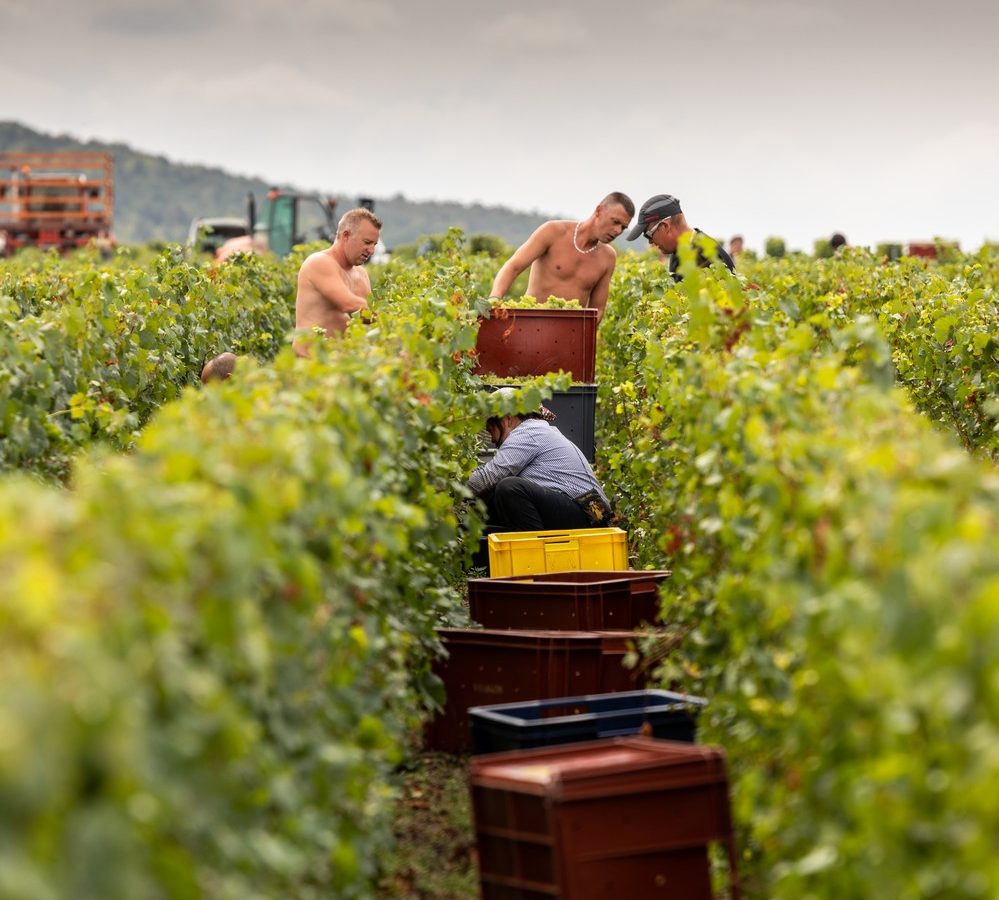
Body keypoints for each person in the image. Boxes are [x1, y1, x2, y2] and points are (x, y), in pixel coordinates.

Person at [467, 388, 613, 532]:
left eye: (491, 430)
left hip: (590, 514)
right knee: (492, 496)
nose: (492, 439)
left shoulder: (528, 433)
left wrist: (455, 488)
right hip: (589, 512)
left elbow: (488, 476)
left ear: (507, 419)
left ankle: (531, 546)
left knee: (509, 487)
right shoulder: (537, 431)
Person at [488, 193, 635, 321]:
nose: (618, 231)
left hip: (570, 336)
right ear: (599, 211)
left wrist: (581, 333)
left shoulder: (608, 257)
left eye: (623, 227)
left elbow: (598, 310)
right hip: (531, 325)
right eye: (615, 222)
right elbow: (513, 267)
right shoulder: (553, 232)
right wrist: (495, 299)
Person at [293, 207, 383, 357]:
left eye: (374, 244)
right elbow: (349, 304)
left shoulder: (361, 274)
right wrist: (388, 318)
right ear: (346, 235)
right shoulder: (320, 262)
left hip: (342, 363)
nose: (371, 250)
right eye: (367, 242)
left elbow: (367, 317)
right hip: (310, 364)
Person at [626, 194, 735, 280]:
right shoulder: (678, 252)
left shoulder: (709, 257)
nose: (650, 242)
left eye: (648, 235)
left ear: (665, 227)